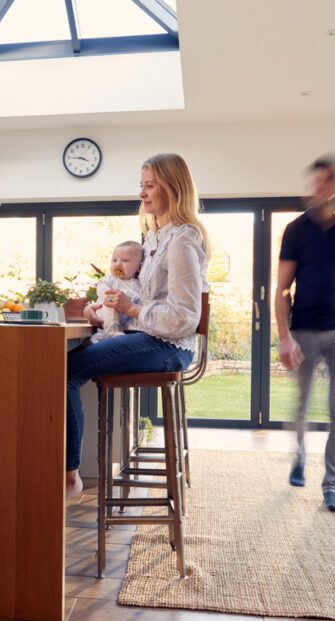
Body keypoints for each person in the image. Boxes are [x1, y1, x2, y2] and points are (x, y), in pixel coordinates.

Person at [66, 153, 210, 500]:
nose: (142, 195)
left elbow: (183, 317)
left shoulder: (182, 242)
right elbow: (139, 303)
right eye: (141, 186)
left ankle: (70, 479)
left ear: (173, 188)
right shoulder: (155, 240)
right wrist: (101, 311)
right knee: (70, 366)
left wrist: (130, 306)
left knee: (65, 372)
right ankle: (71, 470)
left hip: (169, 347)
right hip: (149, 337)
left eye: (150, 186)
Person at [275, 154, 335, 513]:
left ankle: (332, 486)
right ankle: (298, 454)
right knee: (302, 403)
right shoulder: (296, 230)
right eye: (314, 182)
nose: (318, 188)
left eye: (326, 181)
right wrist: (285, 337)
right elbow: (282, 288)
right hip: (303, 330)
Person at [89, 240, 144, 344]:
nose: (118, 264)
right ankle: (111, 331)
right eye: (114, 260)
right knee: (112, 302)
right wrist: (106, 293)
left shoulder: (138, 284)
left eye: (125, 260)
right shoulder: (111, 279)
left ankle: (97, 339)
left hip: (122, 323)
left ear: (139, 267)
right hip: (105, 311)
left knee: (100, 338)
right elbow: (101, 286)